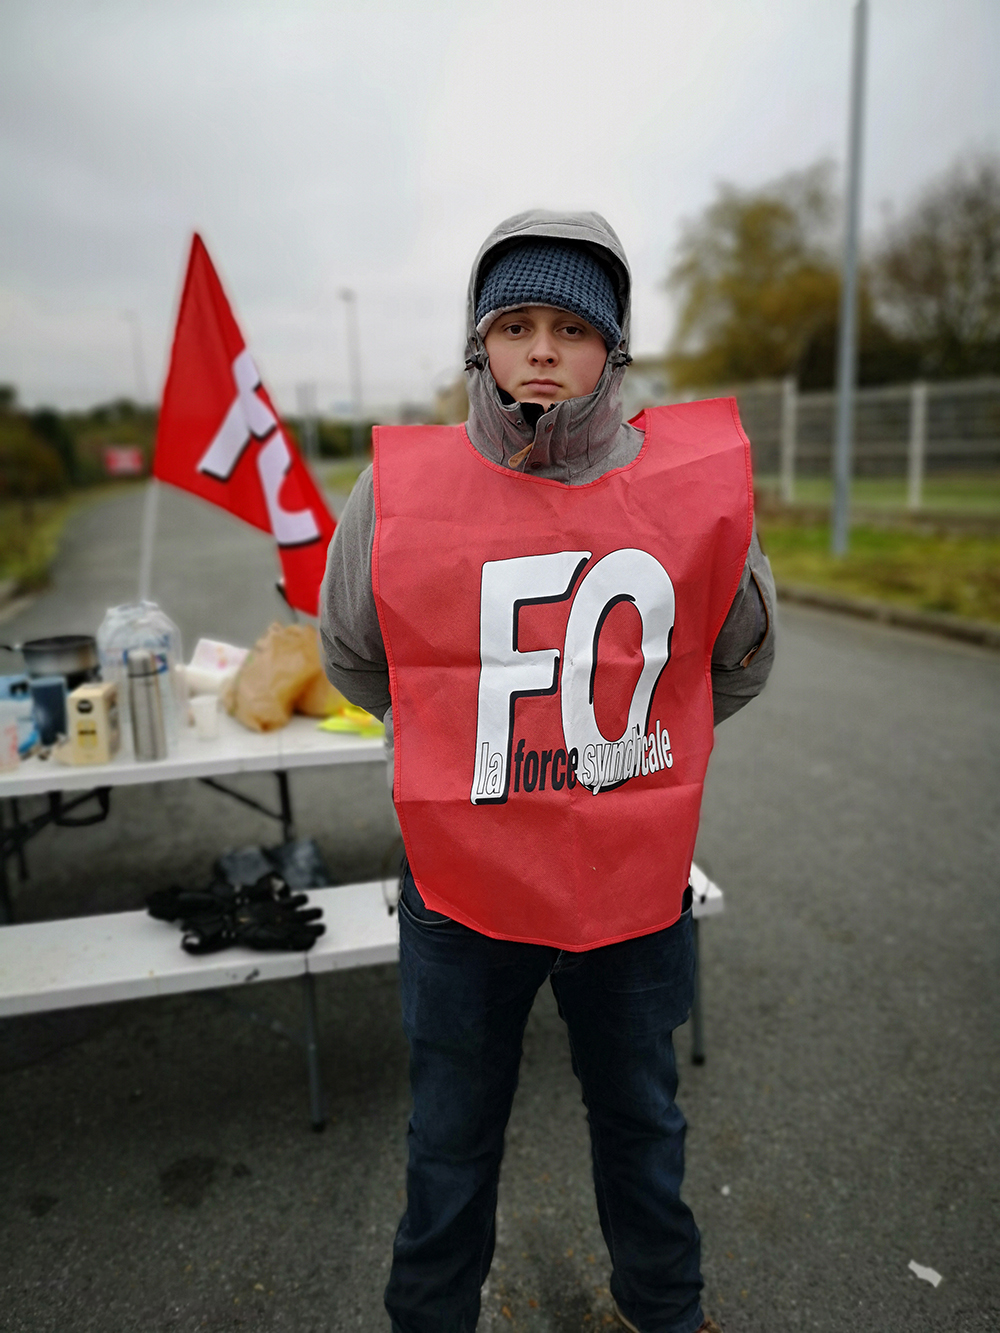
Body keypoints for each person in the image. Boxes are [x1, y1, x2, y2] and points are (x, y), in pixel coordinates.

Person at [320, 210, 776, 1333]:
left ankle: (664, 1311)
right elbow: (354, 652)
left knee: (642, 1123)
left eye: (570, 328)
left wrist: (629, 746)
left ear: (612, 348)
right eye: (514, 323)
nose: (540, 350)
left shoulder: (692, 486)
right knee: (449, 1136)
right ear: (477, 341)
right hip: (461, 889)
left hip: (630, 882)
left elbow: (738, 656)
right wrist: (457, 737)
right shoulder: (401, 489)